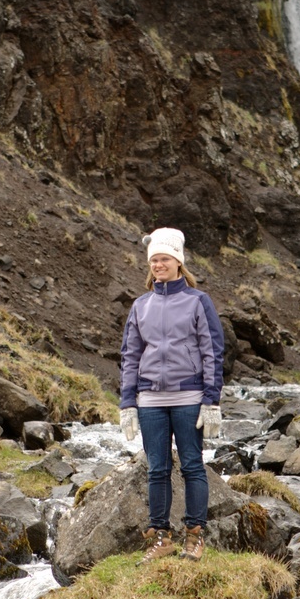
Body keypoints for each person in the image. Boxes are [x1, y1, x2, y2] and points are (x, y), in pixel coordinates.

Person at [119, 227, 224, 563]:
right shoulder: (140, 305)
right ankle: (161, 538)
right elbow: (130, 356)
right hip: (150, 400)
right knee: (157, 470)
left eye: (164, 259)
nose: (158, 265)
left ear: (178, 262)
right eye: (154, 260)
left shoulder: (198, 301)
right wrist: (127, 403)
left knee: (193, 466)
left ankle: (194, 536)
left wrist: (211, 399)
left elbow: (212, 350)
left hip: (189, 397)